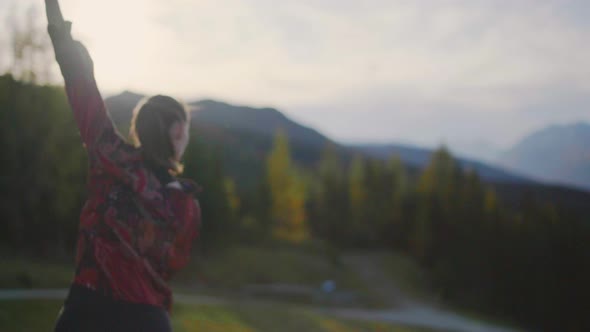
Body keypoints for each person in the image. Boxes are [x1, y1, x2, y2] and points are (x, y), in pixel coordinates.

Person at [45, 1, 201, 331]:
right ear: (176, 132)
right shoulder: (185, 207)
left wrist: (60, 34)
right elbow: (173, 263)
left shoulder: (108, 155)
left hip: (84, 312)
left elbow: (82, 90)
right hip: (146, 320)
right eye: (186, 130)